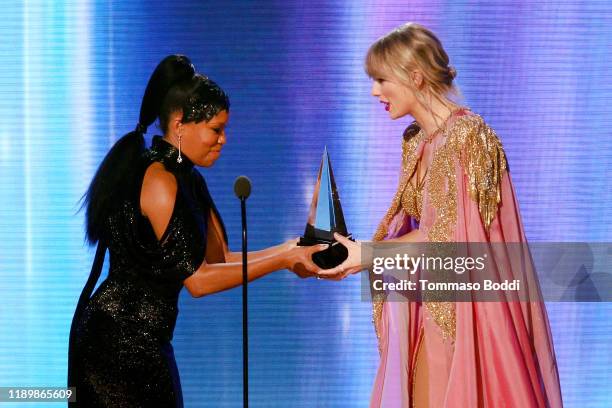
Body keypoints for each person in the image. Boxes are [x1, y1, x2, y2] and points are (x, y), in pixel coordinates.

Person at [319, 23, 563, 407]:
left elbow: (447, 243)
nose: (374, 91)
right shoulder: (419, 140)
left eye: (382, 79)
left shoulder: (467, 136)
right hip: (430, 307)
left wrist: (364, 255)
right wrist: (359, 252)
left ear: (414, 77)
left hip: (470, 317)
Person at [67, 55, 325, 407]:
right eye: (215, 129)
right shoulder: (158, 178)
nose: (223, 140)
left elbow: (219, 259)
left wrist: (292, 248)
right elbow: (199, 281)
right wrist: (282, 261)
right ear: (179, 125)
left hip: (150, 341)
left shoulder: (188, 178)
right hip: (115, 344)